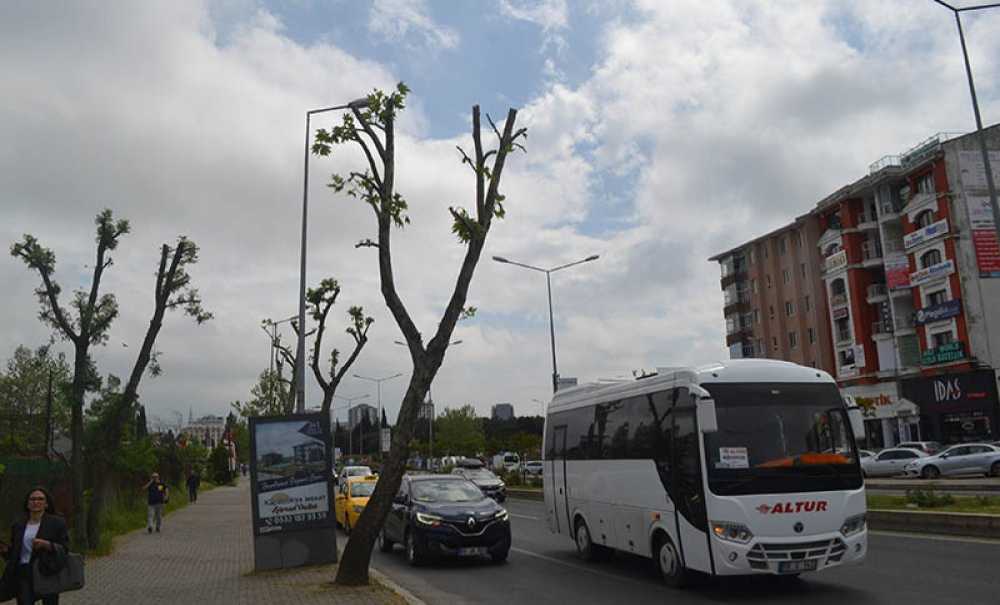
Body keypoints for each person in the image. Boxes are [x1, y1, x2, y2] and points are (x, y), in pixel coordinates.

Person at [0, 487, 69, 605]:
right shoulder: (18, 525)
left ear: (46, 504)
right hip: (24, 572)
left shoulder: (57, 523)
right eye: (32, 499)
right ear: (27, 504)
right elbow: (15, 554)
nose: (36, 502)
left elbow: (64, 548)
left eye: (40, 499)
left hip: (46, 571)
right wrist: (4, 550)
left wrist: (46, 544)